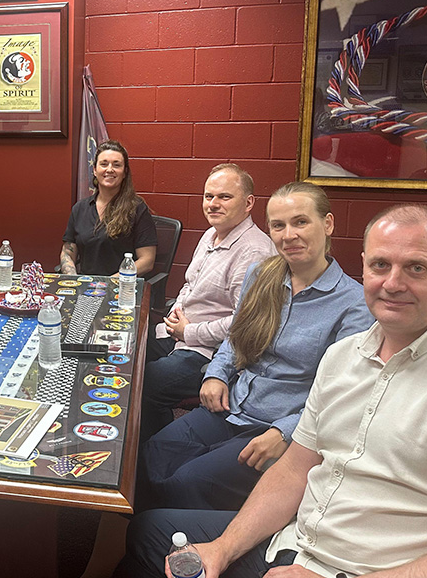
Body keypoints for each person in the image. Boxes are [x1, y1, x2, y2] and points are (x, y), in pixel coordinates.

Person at [116, 204, 427, 578]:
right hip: (298, 540)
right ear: (365, 266)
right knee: (150, 532)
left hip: (365, 567)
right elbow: (295, 469)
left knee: (185, 485)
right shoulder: (343, 356)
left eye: (417, 268)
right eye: (381, 265)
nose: (393, 283)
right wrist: (223, 547)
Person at [140, 182, 373, 512]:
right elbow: (236, 336)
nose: (288, 235)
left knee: (189, 480)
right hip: (232, 407)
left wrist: (286, 433)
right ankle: (147, 530)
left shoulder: (353, 304)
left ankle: (182, 535)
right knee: (152, 453)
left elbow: (341, 395)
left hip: (276, 426)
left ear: (328, 224)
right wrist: (216, 374)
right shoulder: (261, 276)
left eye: (300, 222)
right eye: (278, 225)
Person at [140, 164, 276, 440]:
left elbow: (245, 324)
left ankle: (151, 450)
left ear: (249, 203)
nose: (213, 204)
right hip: (177, 333)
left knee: (145, 383)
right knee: (125, 355)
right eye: (208, 196)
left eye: (224, 197)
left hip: (209, 352)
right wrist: (177, 311)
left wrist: (188, 331)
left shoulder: (254, 252)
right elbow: (190, 284)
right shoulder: (210, 235)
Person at [61, 140, 157, 276]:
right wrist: (73, 278)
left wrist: (109, 282)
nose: (110, 169)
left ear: (124, 172)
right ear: (95, 170)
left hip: (122, 285)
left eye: (116, 165)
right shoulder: (80, 208)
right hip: (86, 284)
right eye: (104, 164)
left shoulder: (137, 209)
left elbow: (147, 261)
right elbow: (67, 252)